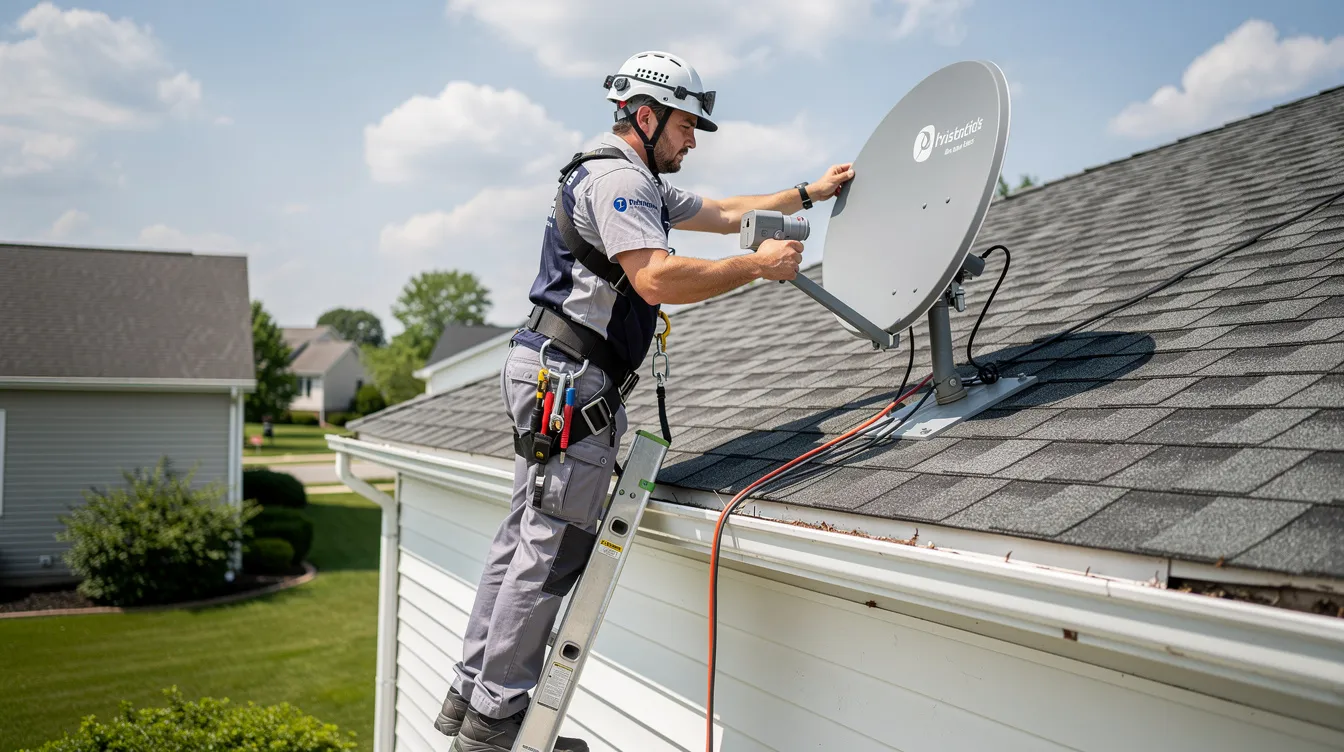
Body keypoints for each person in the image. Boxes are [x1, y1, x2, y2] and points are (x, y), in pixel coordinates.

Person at [435, 50, 854, 752]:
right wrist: (757, 267)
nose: (693, 139)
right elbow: (656, 278)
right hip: (571, 379)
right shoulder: (620, 181)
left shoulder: (637, 181)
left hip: (552, 371)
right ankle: (497, 722)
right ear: (646, 115)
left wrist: (806, 195)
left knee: (522, 543)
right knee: (552, 547)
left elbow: (723, 212)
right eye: (687, 125)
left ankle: (473, 701)